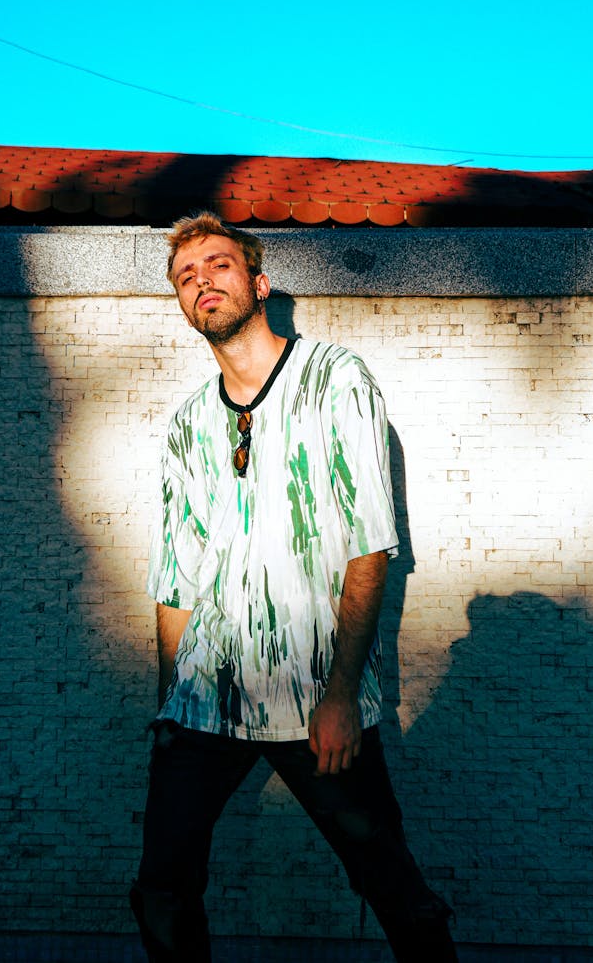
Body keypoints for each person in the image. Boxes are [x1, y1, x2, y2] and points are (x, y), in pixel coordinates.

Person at [130, 213, 458, 962]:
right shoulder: (185, 424)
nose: (201, 282)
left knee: (391, 884)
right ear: (183, 306)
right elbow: (175, 576)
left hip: (317, 697)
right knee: (161, 888)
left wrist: (342, 695)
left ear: (258, 281)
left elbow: (369, 544)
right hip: (203, 701)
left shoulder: (336, 378)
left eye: (217, 265)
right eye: (185, 277)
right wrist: (168, 706)